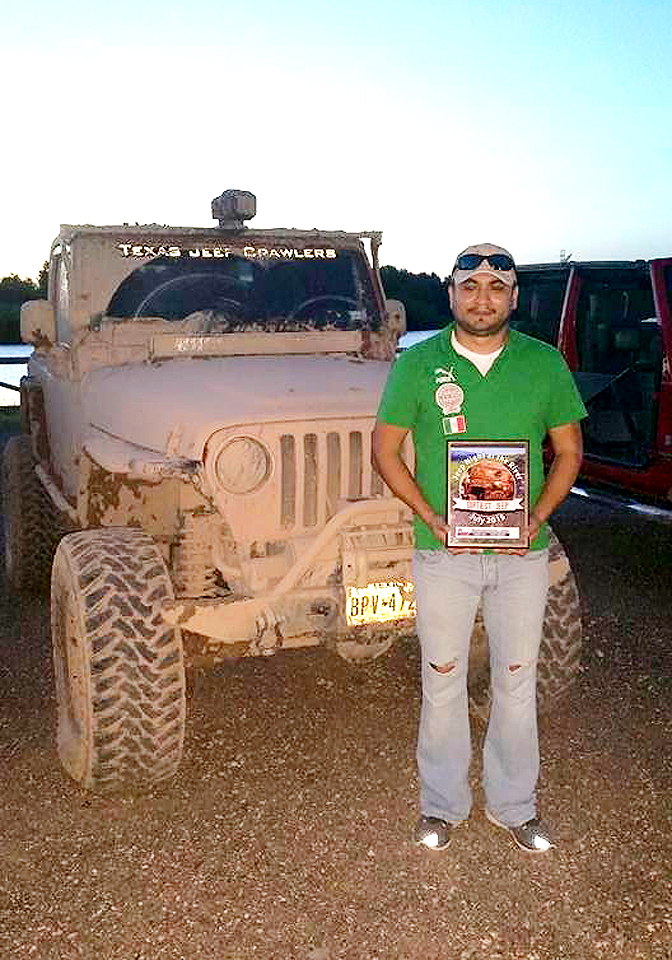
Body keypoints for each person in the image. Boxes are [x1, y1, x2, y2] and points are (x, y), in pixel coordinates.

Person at [372, 243, 587, 853]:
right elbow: (384, 451)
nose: (482, 299)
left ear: (514, 297)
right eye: (469, 287)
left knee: (516, 680)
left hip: (521, 557)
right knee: (441, 677)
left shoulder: (544, 364)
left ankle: (515, 806)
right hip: (444, 555)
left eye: (496, 288)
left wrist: (536, 518)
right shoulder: (419, 364)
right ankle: (441, 806)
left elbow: (569, 451)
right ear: (451, 295)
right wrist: (430, 517)